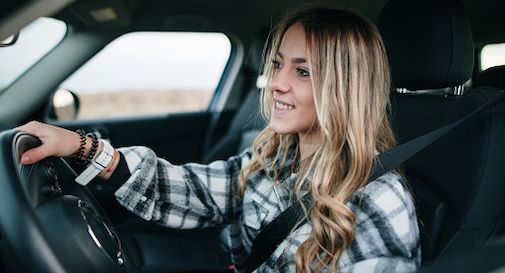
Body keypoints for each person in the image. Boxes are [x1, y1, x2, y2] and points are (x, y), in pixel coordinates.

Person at [18, 7, 421, 273]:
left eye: (303, 72)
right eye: (278, 64)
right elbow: (198, 191)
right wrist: (85, 148)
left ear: (345, 87)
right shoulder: (279, 153)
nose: (276, 83)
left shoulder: (381, 201)